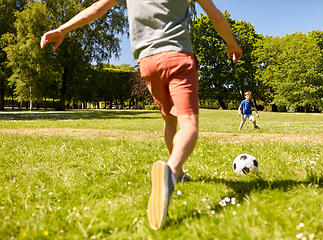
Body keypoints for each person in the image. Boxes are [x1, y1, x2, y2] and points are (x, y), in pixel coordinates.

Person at [40, 0, 243, 230]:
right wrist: (232, 44)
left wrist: (62, 29)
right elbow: (216, 16)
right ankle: (171, 170)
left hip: (147, 62)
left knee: (169, 119)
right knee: (189, 125)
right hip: (177, 55)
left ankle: (178, 174)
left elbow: (97, 9)